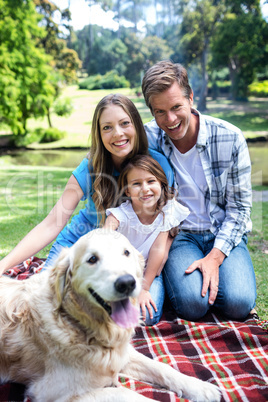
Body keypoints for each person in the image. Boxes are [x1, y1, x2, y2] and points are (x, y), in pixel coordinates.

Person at [0, 94, 173, 276]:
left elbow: (170, 220)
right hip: (78, 245)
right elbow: (52, 223)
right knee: (45, 296)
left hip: (124, 252)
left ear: (137, 125)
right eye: (107, 127)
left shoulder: (158, 166)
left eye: (124, 123)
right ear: (99, 133)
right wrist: (4, 264)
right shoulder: (90, 168)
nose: (117, 133)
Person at [141, 60, 257, 321]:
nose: (170, 120)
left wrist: (215, 257)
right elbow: (107, 150)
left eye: (176, 107)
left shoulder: (230, 137)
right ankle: (183, 284)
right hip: (180, 236)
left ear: (190, 98)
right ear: (151, 111)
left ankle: (202, 277)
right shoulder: (148, 138)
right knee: (193, 304)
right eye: (160, 112)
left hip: (224, 231)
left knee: (239, 303)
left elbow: (239, 209)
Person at [104, 154, 189, 325]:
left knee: (146, 316)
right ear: (127, 190)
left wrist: (144, 289)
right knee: (112, 312)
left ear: (160, 183)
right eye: (136, 184)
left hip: (150, 271)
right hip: (124, 274)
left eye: (151, 181)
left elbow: (158, 250)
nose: (145, 189)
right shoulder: (121, 215)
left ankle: (159, 289)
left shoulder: (166, 210)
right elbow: (105, 238)